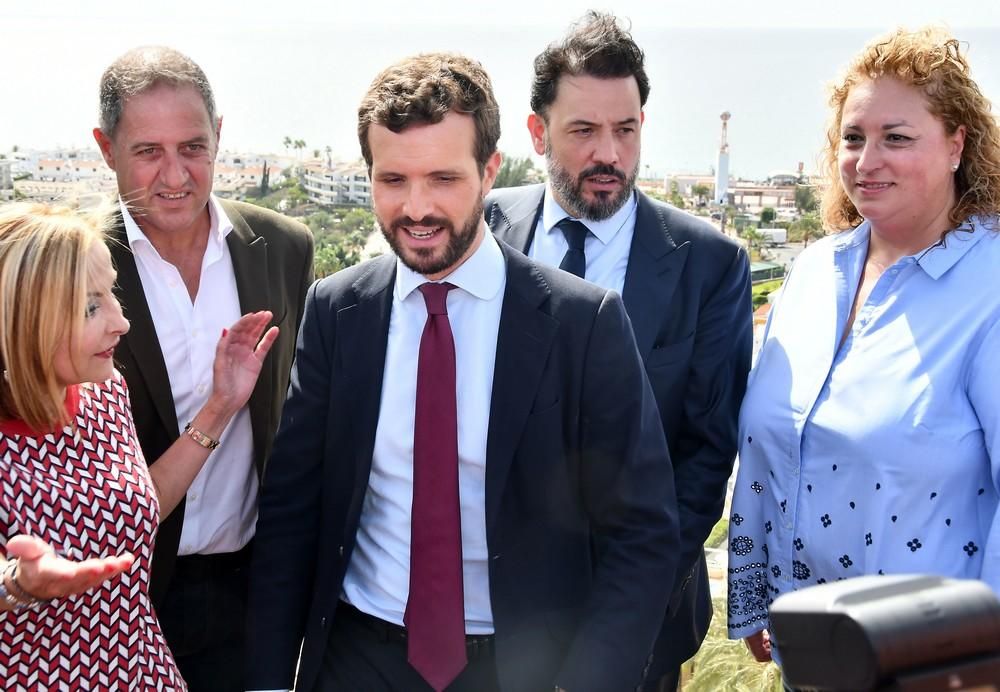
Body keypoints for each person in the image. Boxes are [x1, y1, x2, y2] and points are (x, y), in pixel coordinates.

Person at [246, 52, 680, 692]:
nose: (416, 208)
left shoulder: (582, 325)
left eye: (443, 179)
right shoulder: (338, 310)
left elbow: (642, 534)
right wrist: (269, 679)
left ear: (491, 170)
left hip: (522, 668)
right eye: (393, 181)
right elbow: (292, 510)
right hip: (358, 658)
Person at [485, 12, 752, 690]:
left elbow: (705, 454)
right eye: (584, 131)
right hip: (483, 616)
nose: (609, 153)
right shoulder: (482, 228)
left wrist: (628, 612)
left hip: (641, 624)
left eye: (625, 130)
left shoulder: (710, 263)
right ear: (537, 132)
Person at [727, 26, 1000, 668]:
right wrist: (760, 591)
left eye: (896, 138)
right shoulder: (815, 271)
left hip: (935, 661)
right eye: (853, 138)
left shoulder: (990, 287)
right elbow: (771, 442)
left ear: (958, 143)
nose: (866, 160)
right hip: (816, 648)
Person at [91, 46, 314, 691]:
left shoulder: (285, 248)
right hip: (120, 600)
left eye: (192, 147)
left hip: (254, 591)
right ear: (106, 149)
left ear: (220, 136)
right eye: (147, 151)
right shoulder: (75, 266)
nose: (174, 175)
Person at [0, 201, 278, 690]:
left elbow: (142, 501)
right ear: (23, 319)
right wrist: (16, 585)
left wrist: (221, 406)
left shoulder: (105, 394)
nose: (120, 322)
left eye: (112, 294)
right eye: (90, 306)